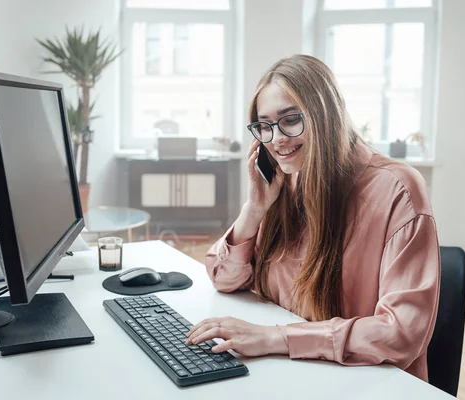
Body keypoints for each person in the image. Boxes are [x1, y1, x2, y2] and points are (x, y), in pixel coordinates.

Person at [185, 54, 440, 382]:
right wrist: (255, 209)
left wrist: (274, 338)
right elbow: (224, 278)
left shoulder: (398, 189)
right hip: (291, 374)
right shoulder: (287, 181)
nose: (276, 139)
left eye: (290, 119)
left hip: (367, 382)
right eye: (265, 126)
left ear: (325, 114)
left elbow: (401, 334)